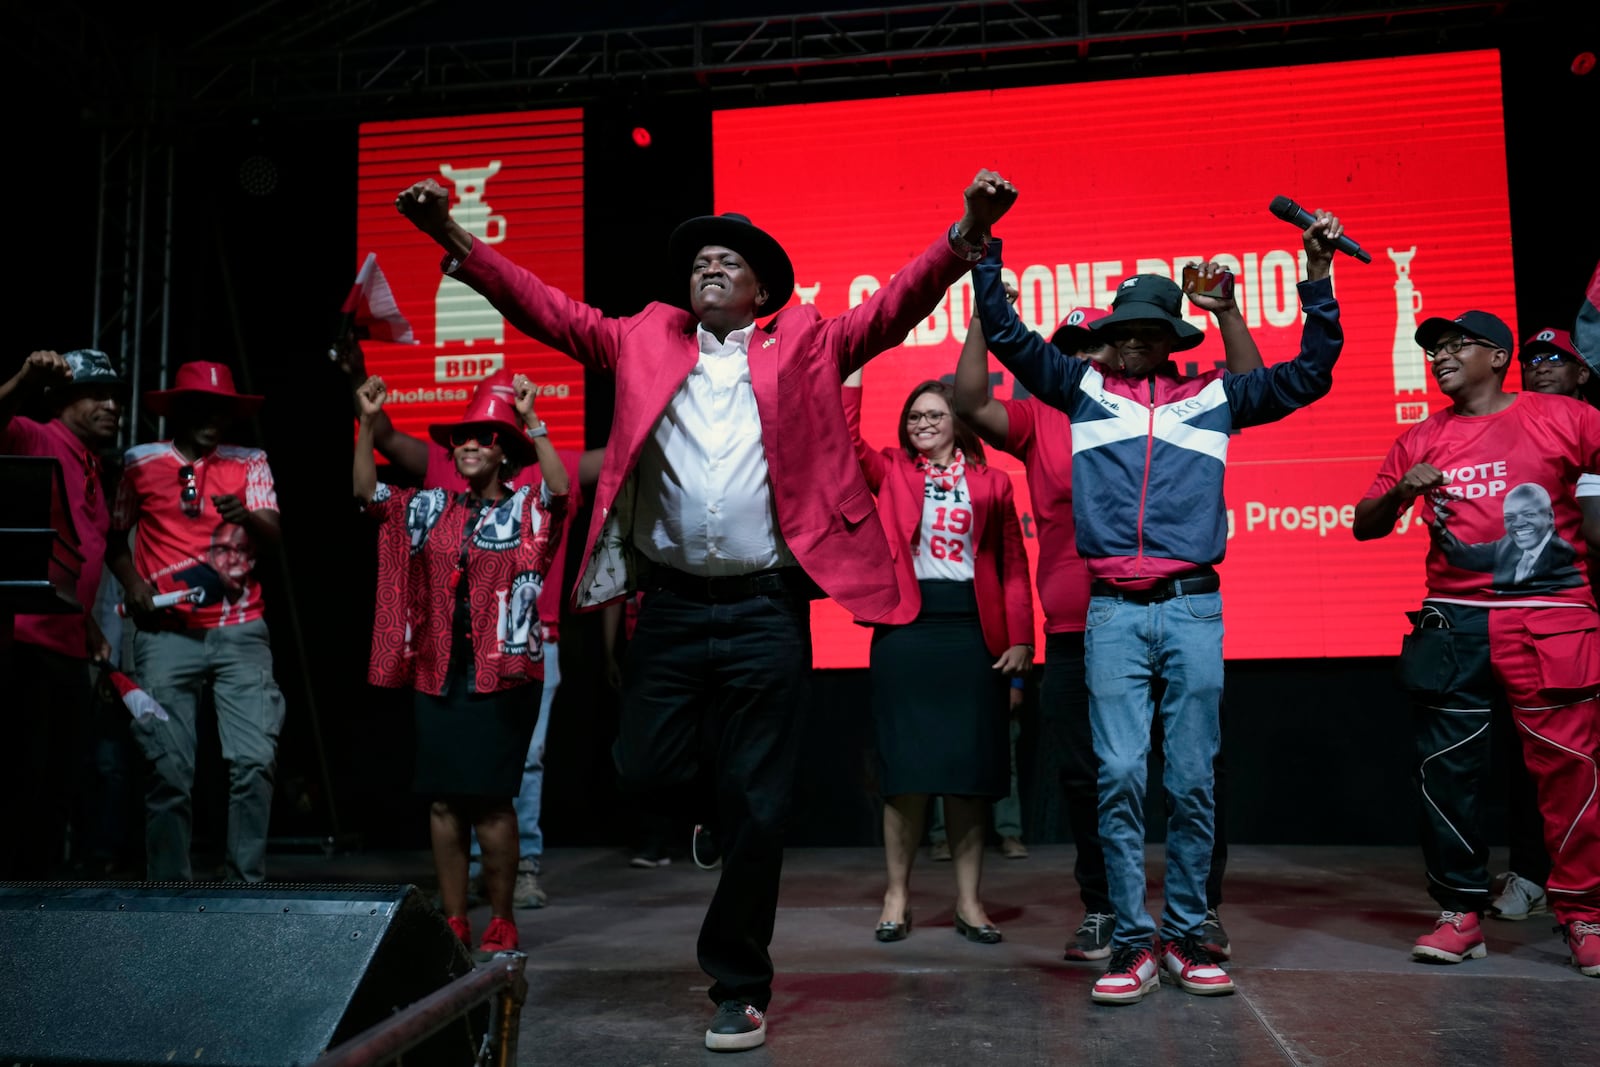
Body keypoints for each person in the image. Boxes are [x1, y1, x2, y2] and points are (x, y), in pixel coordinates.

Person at [397, 166, 1016, 1052]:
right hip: (675, 606)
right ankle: (710, 812)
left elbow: (892, 307)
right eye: (701, 262)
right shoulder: (644, 339)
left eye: (730, 261)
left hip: (767, 606)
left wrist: (967, 231)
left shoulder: (802, 341)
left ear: (763, 289)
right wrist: (453, 241)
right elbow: (549, 310)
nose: (711, 268)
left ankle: (738, 983)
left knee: (762, 807)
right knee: (644, 771)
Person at [975, 211, 1344, 1004]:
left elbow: (1312, 373)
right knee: (1114, 775)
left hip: (1190, 608)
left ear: (1173, 337)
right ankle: (1131, 940)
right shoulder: (1079, 391)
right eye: (1125, 330)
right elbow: (1006, 336)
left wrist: (1315, 278)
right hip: (1109, 612)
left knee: (1190, 777)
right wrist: (987, 248)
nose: (1137, 341)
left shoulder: (1214, 396)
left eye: (1151, 330)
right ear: (1108, 336)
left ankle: (1185, 930)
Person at [954, 271, 1262, 963]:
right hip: (1078, 628)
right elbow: (969, 398)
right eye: (1072, 349)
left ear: (1126, 351)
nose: (1083, 358)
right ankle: (1105, 908)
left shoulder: (1163, 409)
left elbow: (1250, 391)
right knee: (1094, 777)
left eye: (1094, 345)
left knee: (1191, 768)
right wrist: (983, 312)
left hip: (1162, 606)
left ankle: (1197, 911)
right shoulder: (1042, 418)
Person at [1352, 309, 1600, 977]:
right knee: (1446, 775)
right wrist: (1403, 488)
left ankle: (1584, 913)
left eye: (1457, 343)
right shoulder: (1421, 437)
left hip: (1549, 618)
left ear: (1498, 355)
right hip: (1456, 624)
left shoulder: (1564, 417)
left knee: (1570, 773)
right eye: (1433, 347)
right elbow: (1363, 525)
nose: (1440, 355)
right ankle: (1460, 912)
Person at [337, 342, 602, 909]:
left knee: (496, 796)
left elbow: (561, 491)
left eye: (483, 438)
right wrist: (365, 422)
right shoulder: (432, 507)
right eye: (461, 438)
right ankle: (456, 922)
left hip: (503, 671)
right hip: (441, 673)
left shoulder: (525, 507)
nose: (470, 444)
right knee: (441, 799)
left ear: (505, 451)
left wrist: (533, 421)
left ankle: (504, 912)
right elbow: (366, 494)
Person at [841, 372, 1032, 944]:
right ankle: (896, 895)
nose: (921, 424)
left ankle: (970, 903)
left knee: (968, 777)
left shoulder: (994, 482)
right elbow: (846, 443)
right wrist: (853, 376)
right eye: (913, 416)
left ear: (957, 423)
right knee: (907, 773)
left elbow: (1013, 568)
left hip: (973, 635)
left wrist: (1020, 638)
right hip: (907, 634)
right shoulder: (895, 472)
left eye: (933, 416)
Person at [105, 360, 286, 882]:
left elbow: (272, 533)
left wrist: (245, 516)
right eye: (202, 408)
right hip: (166, 636)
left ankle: (244, 884)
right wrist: (133, 585)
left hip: (240, 630)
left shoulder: (250, 461)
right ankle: (169, 893)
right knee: (169, 770)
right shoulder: (140, 463)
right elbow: (116, 536)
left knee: (254, 761)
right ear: (180, 412)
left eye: (222, 410)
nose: (213, 418)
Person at [0, 348, 124, 877]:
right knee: (22, 786)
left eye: (115, 396)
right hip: (24, 643)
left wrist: (89, 625)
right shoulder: (38, 434)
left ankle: (37, 910)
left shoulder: (94, 464)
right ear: (62, 401)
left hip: (68, 644)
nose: (112, 405)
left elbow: (71, 564)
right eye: (96, 394)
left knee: (57, 791)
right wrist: (25, 378)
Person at [1487, 326, 1595, 921]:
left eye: (1557, 359)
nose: (1542, 366)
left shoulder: (1588, 431)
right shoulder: (1514, 436)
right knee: (1540, 756)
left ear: (1583, 374)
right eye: (1532, 359)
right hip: (1540, 623)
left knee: (1584, 759)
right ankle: (1532, 872)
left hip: (1582, 609)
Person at [926, 677, 1028, 863]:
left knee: (1004, 765)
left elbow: (1015, 648)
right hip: (950, 690)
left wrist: (1016, 684)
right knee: (946, 765)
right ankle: (943, 836)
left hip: (993, 685)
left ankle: (1010, 832)